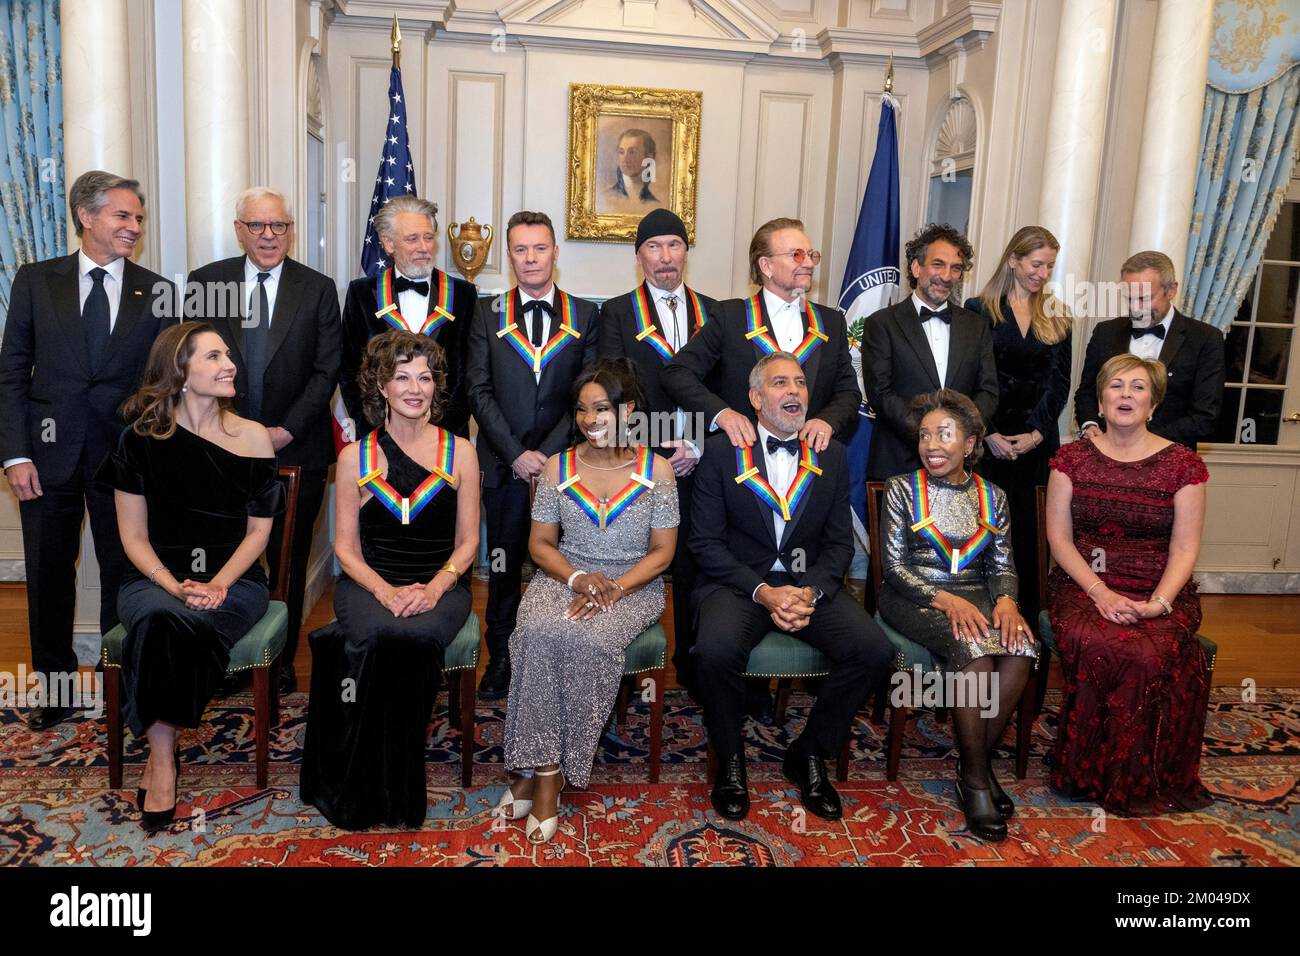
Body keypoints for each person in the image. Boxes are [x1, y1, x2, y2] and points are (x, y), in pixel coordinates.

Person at [0, 170, 176, 729]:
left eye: (138, 219)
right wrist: (15, 454)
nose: (133, 227)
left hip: (124, 460)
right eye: (123, 216)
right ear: (86, 216)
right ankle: (53, 692)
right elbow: (10, 375)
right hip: (45, 460)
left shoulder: (159, 290)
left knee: (124, 573)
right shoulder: (35, 281)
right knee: (49, 573)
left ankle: (120, 690)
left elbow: (164, 383)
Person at [96, 323, 283, 832]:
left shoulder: (253, 437)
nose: (230, 365)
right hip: (154, 579)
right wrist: (172, 583)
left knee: (174, 624)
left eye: (229, 355)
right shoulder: (137, 441)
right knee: (163, 616)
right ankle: (162, 758)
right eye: (214, 356)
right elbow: (132, 539)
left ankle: (159, 758)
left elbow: (258, 535)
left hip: (237, 580)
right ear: (180, 372)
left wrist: (219, 583)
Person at [690, 353, 891, 822]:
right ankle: (731, 759)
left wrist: (811, 593)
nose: (794, 391)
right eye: (780, 383)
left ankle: (810, 752)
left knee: (873, 650)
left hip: (806, 587)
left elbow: (839, 545)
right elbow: (704, 543)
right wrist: (764, 592)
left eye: (800, 382)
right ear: (756, 399)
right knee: (715, 652)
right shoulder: (720, 453)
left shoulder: (832, 454)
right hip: (739, 585)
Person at [300, 330, 479, 830]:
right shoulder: (353, 456)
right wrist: (384, 591)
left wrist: (436, 587)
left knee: (414, 638)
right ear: (381, 385)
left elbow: (467, 545)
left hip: (441, 584)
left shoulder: (461, 452)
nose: (414, 387)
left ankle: (396, 787)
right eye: (402, 376)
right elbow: (345, 550)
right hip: (367, 582)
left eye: (425, 377)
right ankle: (369, 783)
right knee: (378, 632)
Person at [498, 358, 678, 843]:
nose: (589, 420)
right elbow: (539, 546)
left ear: (629, 410)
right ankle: (542, 767)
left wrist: (616, 588)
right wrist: (577, 577)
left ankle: (543, 778)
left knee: (588, 641)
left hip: (633, 585)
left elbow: (662, 554)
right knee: (535, 631)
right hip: (564, 574)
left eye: (602, 409)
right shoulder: (558, 466)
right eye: (581, 410)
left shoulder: (656, 469)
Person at [186, 186, 341, 694]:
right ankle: (228, 656)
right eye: (258, 226)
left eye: (280, 226)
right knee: (227, 553)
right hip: (219, 449)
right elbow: (194, 364)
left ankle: (276, 661)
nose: (270, 236)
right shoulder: (205, 283)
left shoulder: (318, 288)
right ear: (240, 230)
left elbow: (326, 371)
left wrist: (284, 429)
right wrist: (232, 431)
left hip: (296, 448)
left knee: (287, 559)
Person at [1046, 354, 1213, 815]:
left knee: (1146, 651)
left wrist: (1158, 604)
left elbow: (1184, 550)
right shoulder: (1071, 459)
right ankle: (1083, 771)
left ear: (1153, 404)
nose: (1126, 395)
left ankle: (1138, 776)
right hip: (1082, 585)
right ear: (1099, 401)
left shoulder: (1184, 465)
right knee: (1102, 643)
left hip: (1160, 587)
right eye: (1116, 386)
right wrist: (1099, 593)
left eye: (1138, 387)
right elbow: (1059, 540)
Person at [878, 389, 1036, 842]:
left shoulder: (995, 496)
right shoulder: (901, 489)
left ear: (969, 444)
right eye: (925, 435)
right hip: (914, 596)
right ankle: (976, 781)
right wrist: (945, 600)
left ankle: (975, 762)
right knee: (975, 652)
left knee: (1021, 644)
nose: (931, 445)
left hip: (979, 594)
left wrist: (1006, 601)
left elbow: (1003, 566)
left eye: (943, 434)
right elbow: (894, 569)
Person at [466, 210, 600, 699]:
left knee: (564, 568)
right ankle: (500, 657)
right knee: (501, 568)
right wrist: (517, 453)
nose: (530, 259)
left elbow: (588, 394)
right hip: (503, 467)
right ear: (510, 255)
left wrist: (546, 455)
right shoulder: (488, 312)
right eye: (520, 250)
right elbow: (477, 388)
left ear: (555, 253)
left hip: (567, 469)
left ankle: (559, 658)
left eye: (539, 248)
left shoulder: (586, 314)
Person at [599, 208, 718, 689]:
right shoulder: (617, 312)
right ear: (638, 256)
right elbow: (610, 390)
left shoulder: (716, 310)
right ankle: (622, 667)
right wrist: (654, 444)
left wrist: (697, 442)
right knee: (632, 560)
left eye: (674, 245)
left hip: (701, 460)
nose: (665, 257)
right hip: (638, 460)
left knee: (694, 562)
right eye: (654, 246)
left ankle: (693, 667)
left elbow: (724, 386)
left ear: (686, 251)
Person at [664, 217, 860, 453]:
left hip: (812, 462)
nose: (808, 263)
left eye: (811, 254)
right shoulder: (731, 316)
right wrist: (722, 414)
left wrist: (828, 421)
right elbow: (677, 373)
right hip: (741, 461)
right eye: (797, 255)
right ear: (766, 266)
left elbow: (848, 392)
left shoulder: (830, 322)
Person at [964, 226, 1072, 629]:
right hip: (986, 443)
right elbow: (972, 376)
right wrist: (987, 431)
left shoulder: (1057, 315)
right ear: (1013, 260)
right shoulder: (978, 310)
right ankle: (980, 619)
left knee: (1029, 536)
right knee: (983, 531)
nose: (1042, 274)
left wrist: (1036, 434)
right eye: (1036, 264)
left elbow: (1059, 383)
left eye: (1049, 266)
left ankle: (1023, 626)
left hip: (1037, 445)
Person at [862, 222, 998, 481]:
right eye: (938, 265)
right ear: (916, 267)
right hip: (898, 464)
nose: (947, 276)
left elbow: (988, 391)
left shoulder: (976, 325)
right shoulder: (881, 324)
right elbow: (881, 394)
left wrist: (959, 437)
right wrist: (932, 436)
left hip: (962, 467)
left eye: (955, 268)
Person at [340, 195, 477, 438]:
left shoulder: (463, 295)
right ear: (388, 243)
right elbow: (350, 371)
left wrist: (439, 432)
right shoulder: (361, 294)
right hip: (379, 437)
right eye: (412, 239)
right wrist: (375, 430)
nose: (424, 247)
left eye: (428, 237)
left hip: (446, 438)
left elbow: (470, 371)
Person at [1074, 250, 1225, 449]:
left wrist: (1140, 441)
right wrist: (1090, 423)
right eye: (1129, 298)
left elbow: (1205, 416)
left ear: (1171, 290)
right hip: (1106, 454)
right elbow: (1086, 393)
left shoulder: (1205, 338)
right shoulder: (1106, 332)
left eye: (1144, 299)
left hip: (1170, 459)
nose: (1136, 308)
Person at [601, 129, 661, 214]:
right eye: (621, 152)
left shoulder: (655, 204)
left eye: (632, 152)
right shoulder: (607, 196)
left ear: (649, 157)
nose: (625, 159)